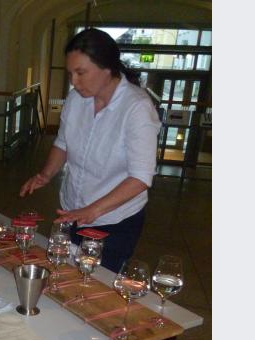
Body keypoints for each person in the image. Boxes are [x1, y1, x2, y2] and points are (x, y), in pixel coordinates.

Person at [20, 28, 161, 273]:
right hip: (74, 210)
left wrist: (92, 210)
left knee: (98, 284)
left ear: (107, 68)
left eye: (81, 72)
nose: (74, 81)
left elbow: (140, 177)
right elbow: (63, 143)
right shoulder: (76, 100)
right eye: (71, 73)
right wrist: (46, 174)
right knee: (68, 273)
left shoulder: (136, 108)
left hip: (114, 220)